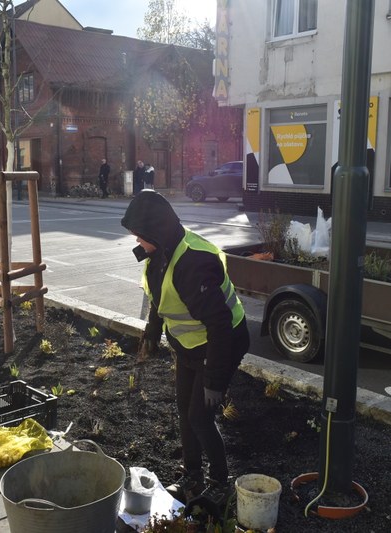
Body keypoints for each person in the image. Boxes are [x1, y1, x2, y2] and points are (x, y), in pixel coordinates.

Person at [120, 190, 250, 508]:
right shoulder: (160, 254)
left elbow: (220, 327)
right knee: (184, 411)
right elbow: (159, 298)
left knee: (200, 417)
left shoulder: (193, 264)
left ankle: (221, 483)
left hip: (221, 345)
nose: (137, 240)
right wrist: (151, 334)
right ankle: (192, 475)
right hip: (190, 347)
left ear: (157, 232)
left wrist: (215, 382)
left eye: (140, 234)